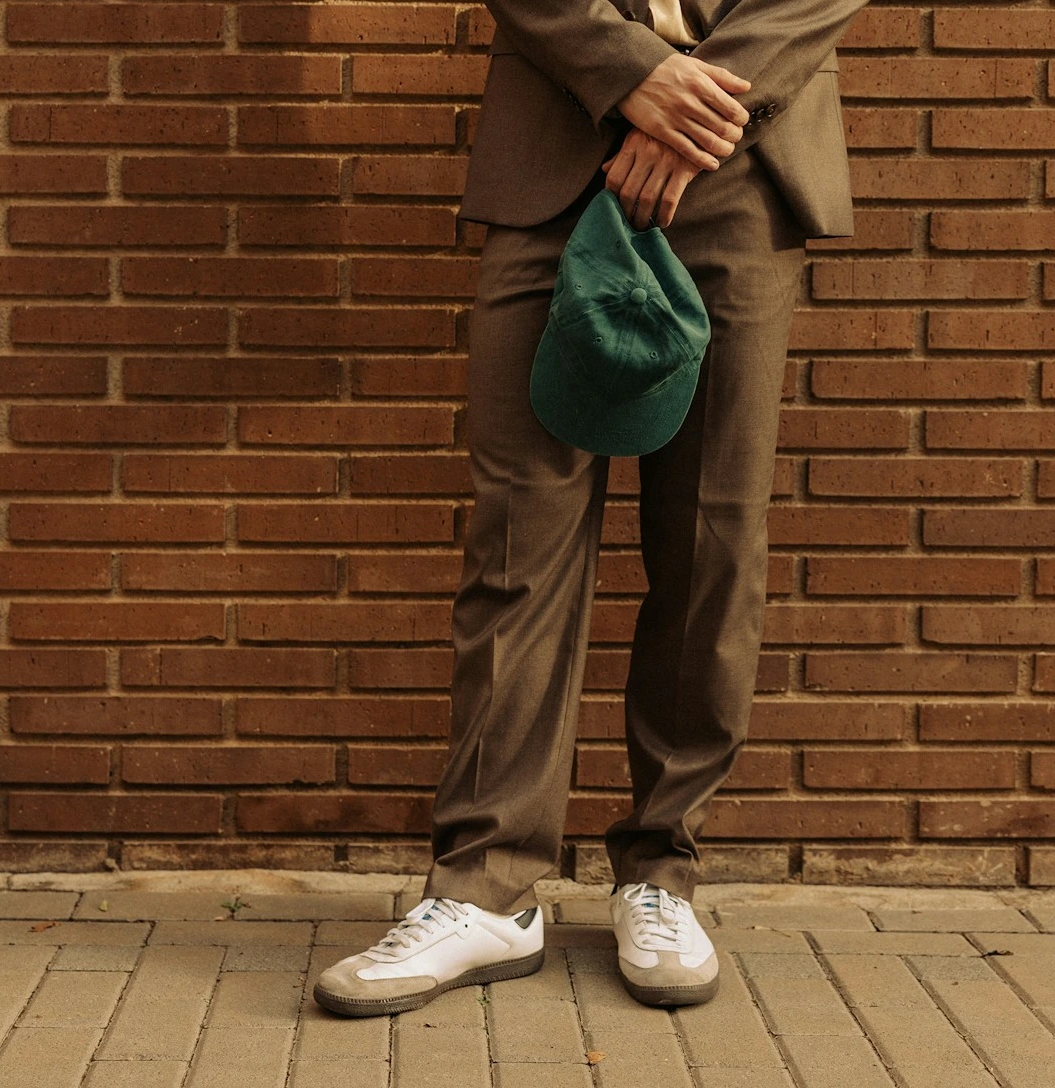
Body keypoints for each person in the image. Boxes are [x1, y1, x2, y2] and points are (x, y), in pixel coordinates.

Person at [314, 0, 870, 1018]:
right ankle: (486, 886)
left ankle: (663, 870)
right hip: (555, 152)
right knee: (518, 539)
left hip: (744, 160)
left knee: (711, 541)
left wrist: (699, 104)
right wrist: (627, 73)